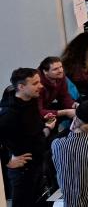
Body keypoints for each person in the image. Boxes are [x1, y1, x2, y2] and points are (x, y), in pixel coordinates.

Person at [0, 68, 57, 205]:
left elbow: (30, 127)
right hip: (23, 171)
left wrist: (45, 124)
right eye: (35, 83)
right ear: (21, 86)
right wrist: (7, 160)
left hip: (37, 161)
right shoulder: (8, 115)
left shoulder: (30, 99)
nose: (41, 86)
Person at [61, 32, 88, 100]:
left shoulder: (80, 56)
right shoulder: (74, 61)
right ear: (84, 47)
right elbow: (82, 79)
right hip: (84, 94)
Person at [37, 56, 76, 123]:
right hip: (37, 115)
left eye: (61, 67)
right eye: (55, 69)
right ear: (45, 71)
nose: (61, 71)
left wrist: (74, 105)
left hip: (47, 107)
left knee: (78, 111)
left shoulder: (60, 76)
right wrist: (65, 112)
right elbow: (38, 112)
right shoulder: (38, 85)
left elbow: (64, 96)